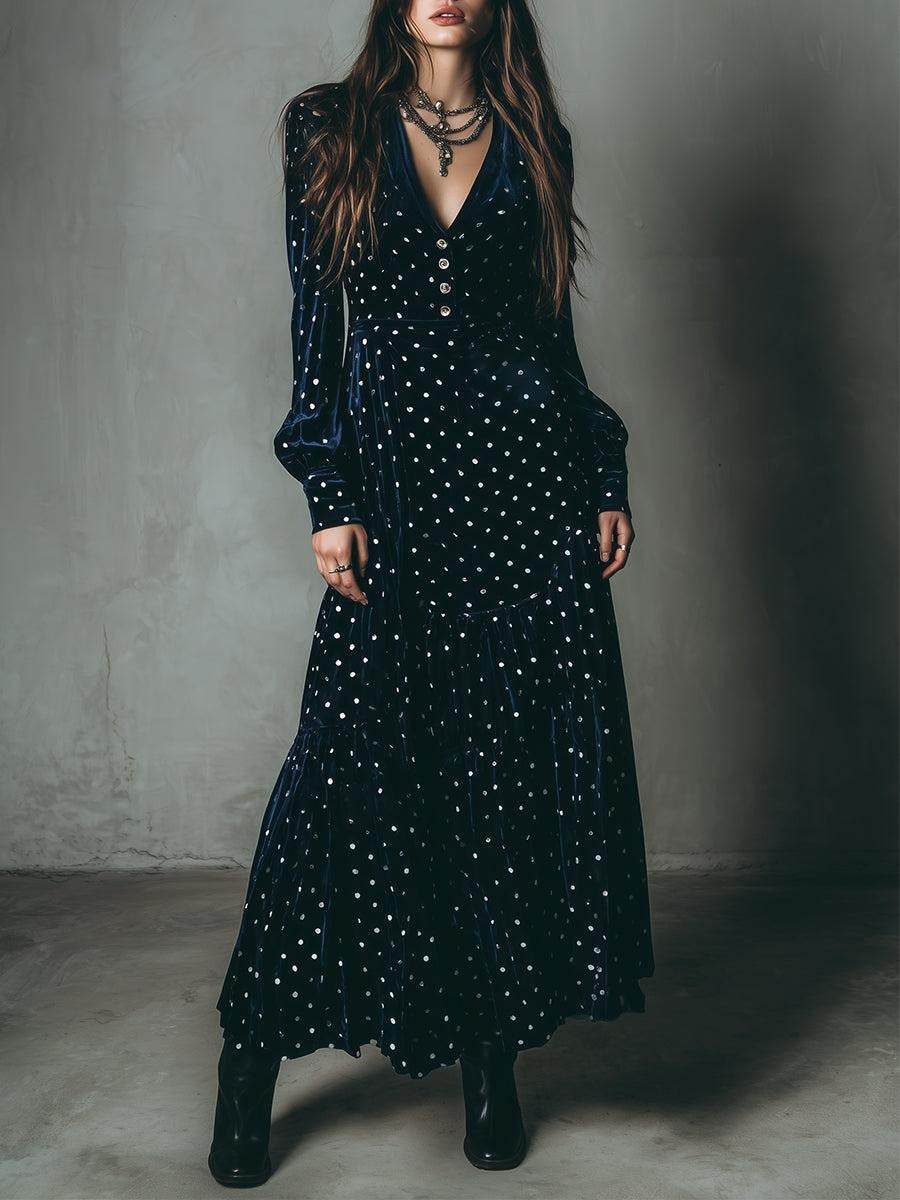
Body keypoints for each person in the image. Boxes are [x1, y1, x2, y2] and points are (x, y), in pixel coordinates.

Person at [208, 0, 655, 1186]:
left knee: (499, 776)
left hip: (526, 494)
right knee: (340, 770)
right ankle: (248, 1064)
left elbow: (546, 332)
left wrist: (600, 470)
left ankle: (490, 1066)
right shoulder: (328, 128)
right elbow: (317, 327)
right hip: (401, 499)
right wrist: (328, 490)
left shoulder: (536, 135)